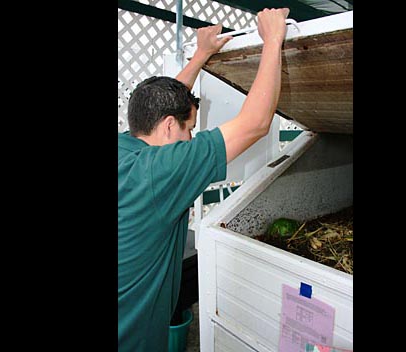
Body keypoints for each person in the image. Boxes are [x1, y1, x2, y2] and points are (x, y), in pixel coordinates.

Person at [118, 8, 290, 351]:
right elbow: (255, 123)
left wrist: (201, 54)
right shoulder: (161, 171)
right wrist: (273, 40)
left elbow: (165, 105)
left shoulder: (128, 148)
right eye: (190, 130)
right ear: (168, 126)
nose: (192, 139)